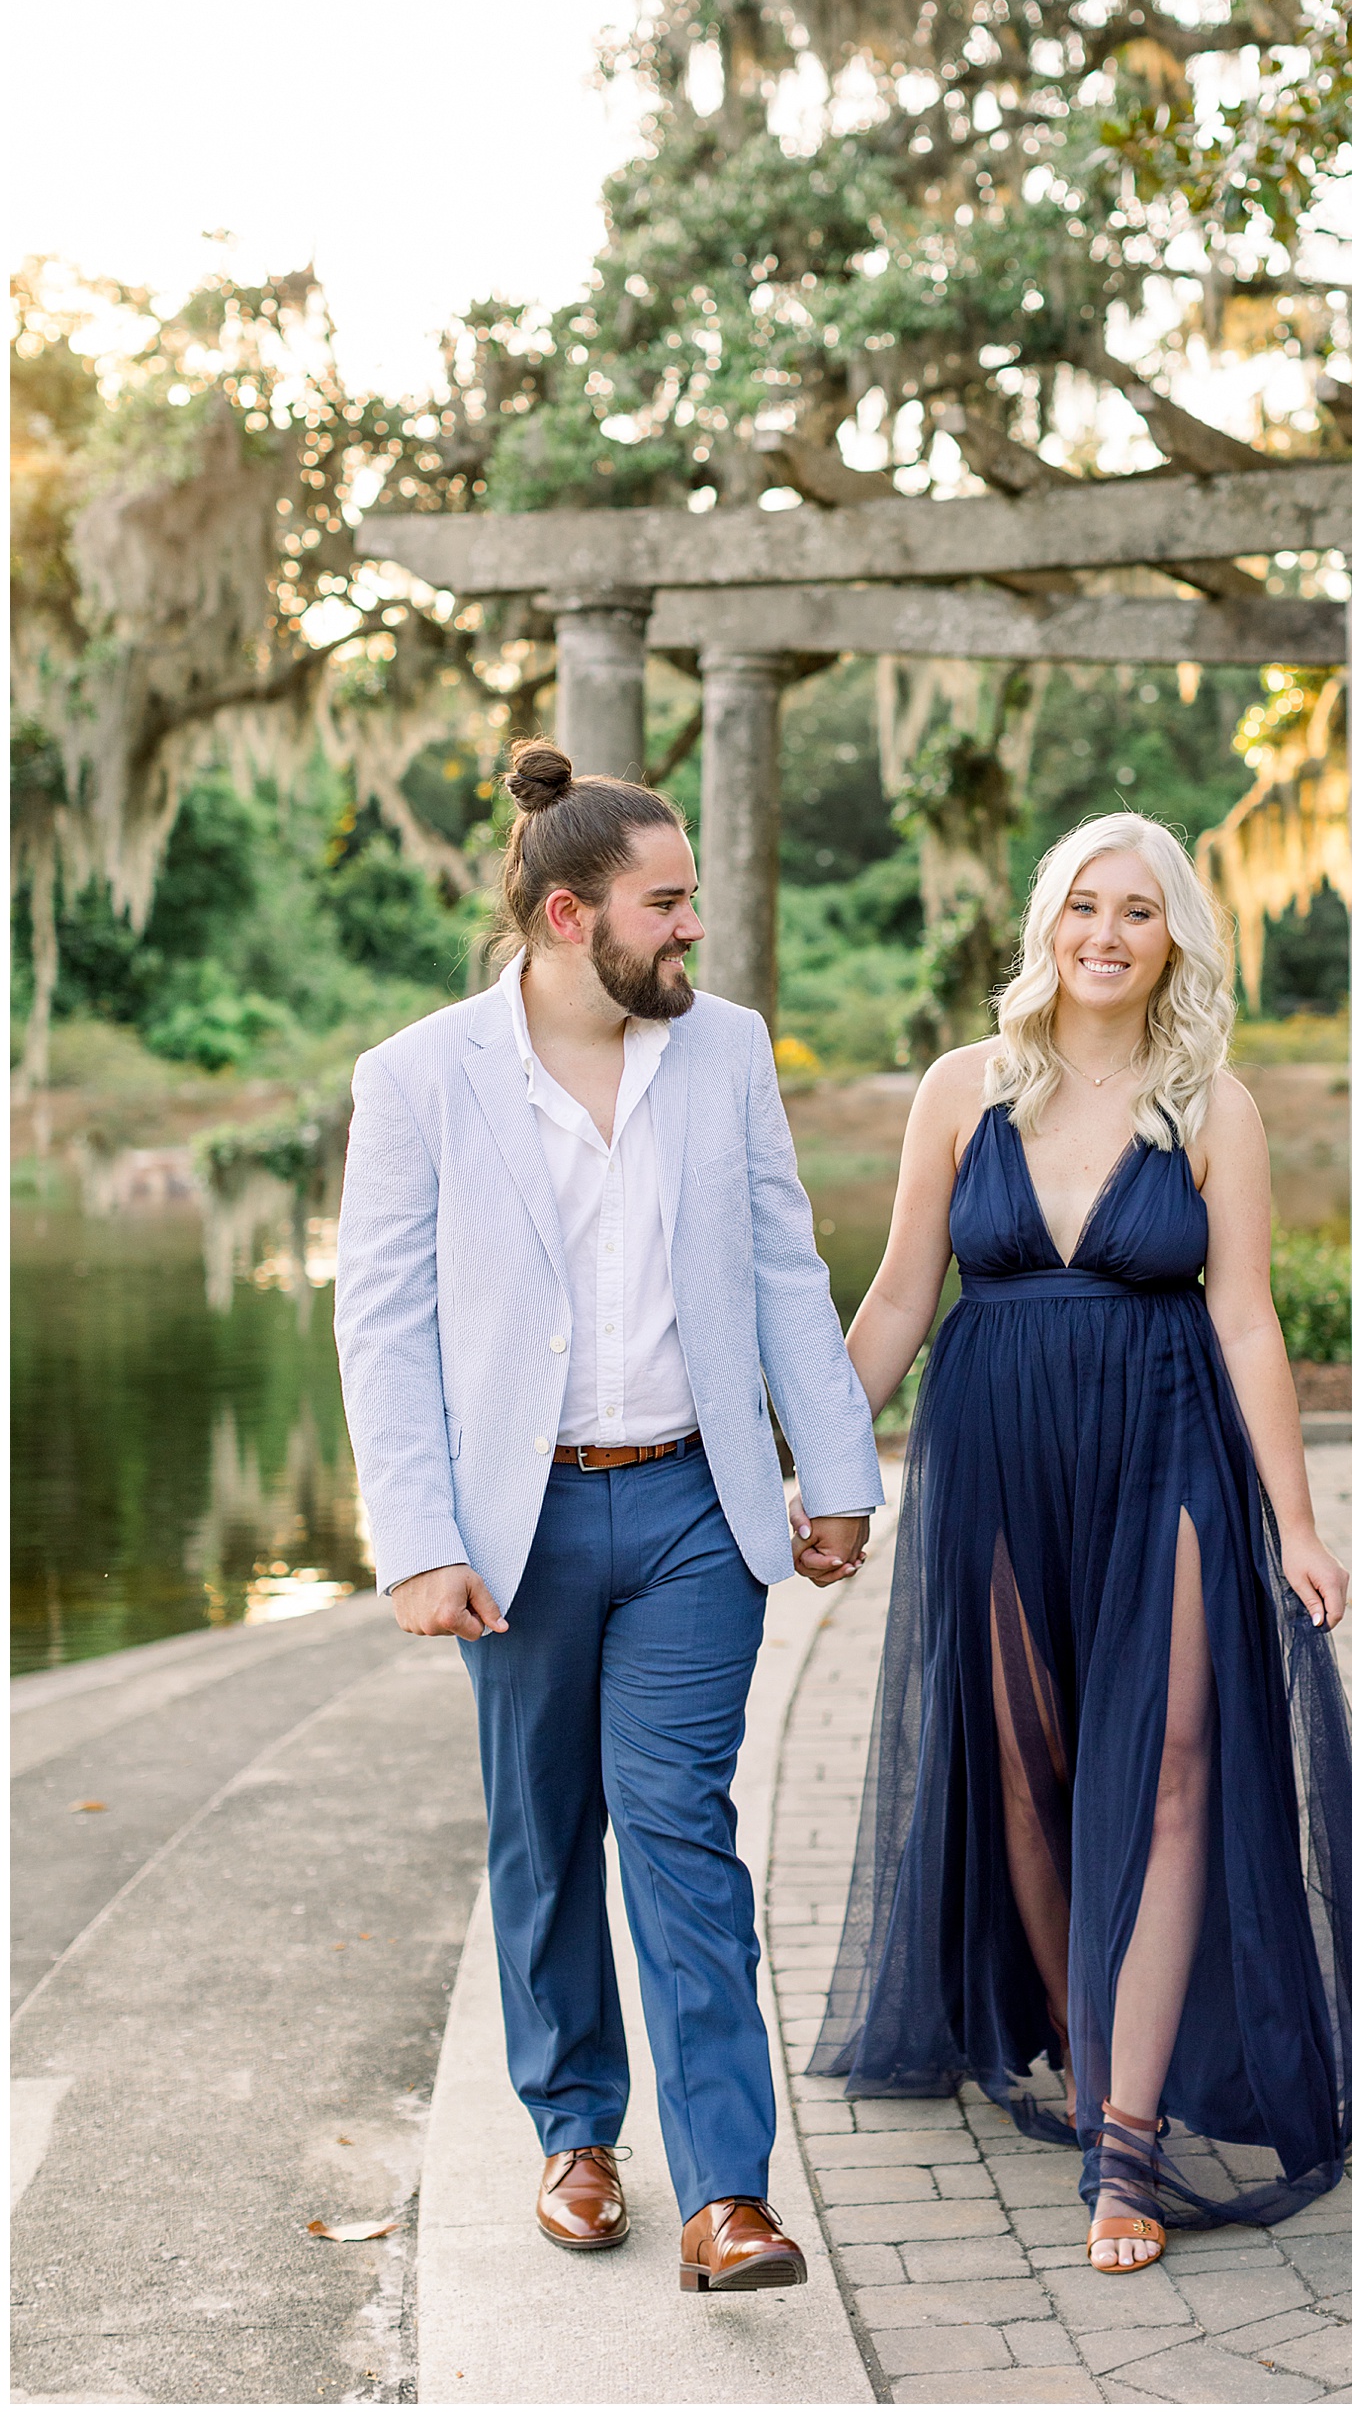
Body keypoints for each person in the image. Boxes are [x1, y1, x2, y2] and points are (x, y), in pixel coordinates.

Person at [802, 811, 1352, 2271]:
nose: (1104, 932)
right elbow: (903, 1296)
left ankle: (1127, 2145)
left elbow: (1247, 1316)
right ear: (1047, 922)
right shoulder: (965, 1088)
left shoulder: (1212, 1103)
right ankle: (1093, 2045)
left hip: (1170, 1448)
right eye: (1083, 905)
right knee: (1031, 1773)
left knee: (1171, 1764)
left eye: (1137, 911)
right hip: (995, 1457)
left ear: (1175, 939)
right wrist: (827, 1470)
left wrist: (1300, 1521)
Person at [333, 741, 880, 2297]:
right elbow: (381, 1322)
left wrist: (833, 1473)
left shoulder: (725, 1052)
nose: (694, 929)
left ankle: (727, 2193)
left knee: (681, 1834)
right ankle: (577, 2133)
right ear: (569, 916)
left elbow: (786, 1266)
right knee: (544, 1837)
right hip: (518, 1529)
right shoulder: (420, 1076)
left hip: (699, 1508)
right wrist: (418, 1537)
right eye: (669, 901)